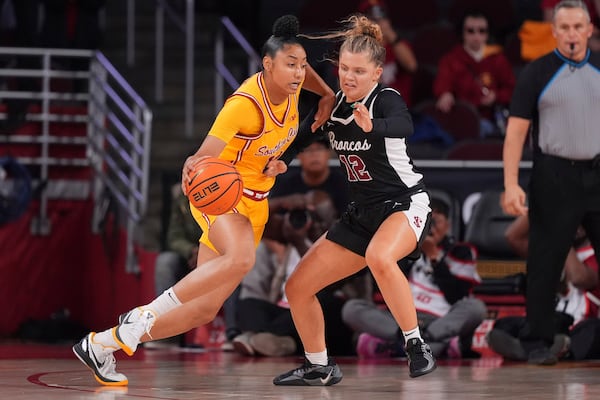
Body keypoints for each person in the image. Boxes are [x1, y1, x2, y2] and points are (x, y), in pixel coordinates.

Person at [72, 14, 336, 386]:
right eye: (290, 65)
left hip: (256, 201)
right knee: (242, 257)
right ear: (267, 65)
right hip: (221, 194)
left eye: (302, 66)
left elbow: (304, 71)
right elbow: (205, 155)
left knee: (205, 308)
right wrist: (193, 163)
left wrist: (325, 93)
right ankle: (140, 317)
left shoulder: (292, 83)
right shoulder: (244, 104)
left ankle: (103, 344)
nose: (297, 73)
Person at [272, 15, 437, 386]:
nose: (349, 77)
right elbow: (305, 133)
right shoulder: (335, 103)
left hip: (403, 203)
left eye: (359, 71)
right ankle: (319, 366)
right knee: (297, 288)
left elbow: (404, 126)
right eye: (344, 69)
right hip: (361, 214)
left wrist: (372, 126)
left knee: (381, 257)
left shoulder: (387, 99)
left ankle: (416, 344)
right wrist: (283, 160)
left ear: (377, 73)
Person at [500, 0, 600, 365]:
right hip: (554, 174)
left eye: (578, 27)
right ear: (554, 32)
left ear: (589, 29)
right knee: (544, 261)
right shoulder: (537, 73)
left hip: (597, 171)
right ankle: (538, 342)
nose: (572, 34)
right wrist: (511, 185)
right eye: (565, 28)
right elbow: (514, 135)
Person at [342, 197, 486, 360]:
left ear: (448, 225)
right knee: (352, 308)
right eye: (427, 222)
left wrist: (434, 258)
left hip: (439, 321)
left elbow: (458, 295)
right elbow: (387, 283)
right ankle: (432, 345)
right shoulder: (403, 247)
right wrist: (411, 246)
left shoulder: (462, 251)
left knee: (476, 308)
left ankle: (404, 344)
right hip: (402, 320)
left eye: (436, 222)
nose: (430, 228)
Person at [488, 216, 600, 361]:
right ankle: (534, 349)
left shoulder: (593, 253)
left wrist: (561, 234)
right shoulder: (552, 252)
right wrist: (545, 204)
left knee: (594, 330)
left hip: (579, 325)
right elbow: (513, 237)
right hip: (551, 323)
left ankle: (553, 350)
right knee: (505, 325)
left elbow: (579, 278)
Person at [433, 9, 515, 137]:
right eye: (470, 31)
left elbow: (511, 89)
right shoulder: (451, 59)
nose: (476, 36)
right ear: (463, 33)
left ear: (487, 34)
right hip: (461, 121)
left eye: (481, 31)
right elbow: (442, 84)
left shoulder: (498, 58)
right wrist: (445, 94)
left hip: (492, 119)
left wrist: (496, 96)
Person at [358, 0, 418, 107]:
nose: (377, 24)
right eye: (372, 19)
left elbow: (412, 66)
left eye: (381, 18)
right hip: (365, 111)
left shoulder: (399, 46)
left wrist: (390, 35)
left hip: (397, 111)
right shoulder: (354, 49)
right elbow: (342, 87)